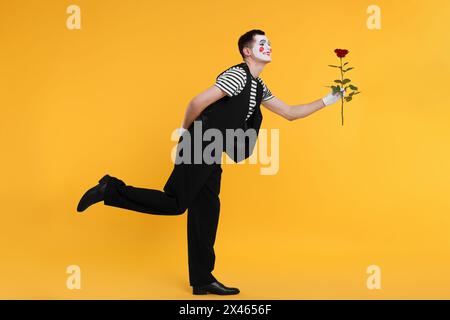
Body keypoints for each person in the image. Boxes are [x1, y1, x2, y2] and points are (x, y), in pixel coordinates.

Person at [76, 29, 345, 296]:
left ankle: (203, 280)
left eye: (270, 42)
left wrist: (328, 100)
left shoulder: (258, 85)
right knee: (176, 203)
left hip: (211, 148)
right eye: (263, 43)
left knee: (206, 211)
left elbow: (289, 113)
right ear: (247, 51)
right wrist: (184, 133)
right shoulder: (238, 75)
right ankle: (110, 189)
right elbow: (197, 102)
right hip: (200, 142)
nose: (269, 46)